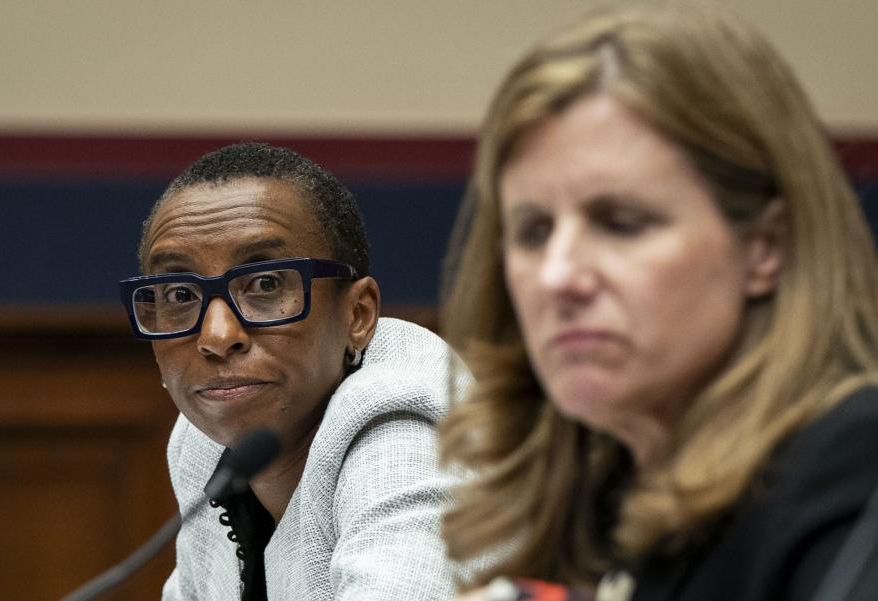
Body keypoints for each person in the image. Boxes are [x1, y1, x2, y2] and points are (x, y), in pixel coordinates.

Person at [438, 2, 878, 600]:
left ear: (765, 247)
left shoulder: (854, 464)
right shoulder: (604, 495)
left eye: (621, 223)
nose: (557, 276)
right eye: (534, 232)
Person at [120, 142, 463, 601]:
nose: (218, 336)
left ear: (357, 315)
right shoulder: (200, 446)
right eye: (180, 296)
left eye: (265, 284)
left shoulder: (405, 424)